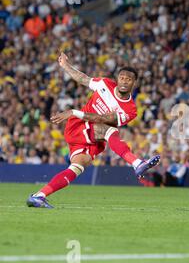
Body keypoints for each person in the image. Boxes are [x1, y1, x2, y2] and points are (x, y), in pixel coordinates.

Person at [26, 52, 161, 208]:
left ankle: (39, 196)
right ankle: (137, 163)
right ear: (117, 79)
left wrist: (73, 111)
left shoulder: (130, 110)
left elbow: (103, 119)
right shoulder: (105, 84)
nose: (124, 81)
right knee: (110, 131)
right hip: (79, 126)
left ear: (134, 83)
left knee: (77, 167)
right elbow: (83, 78)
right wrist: (65, 65)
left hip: (93, 136)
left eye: (128, 79)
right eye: (122, 78)